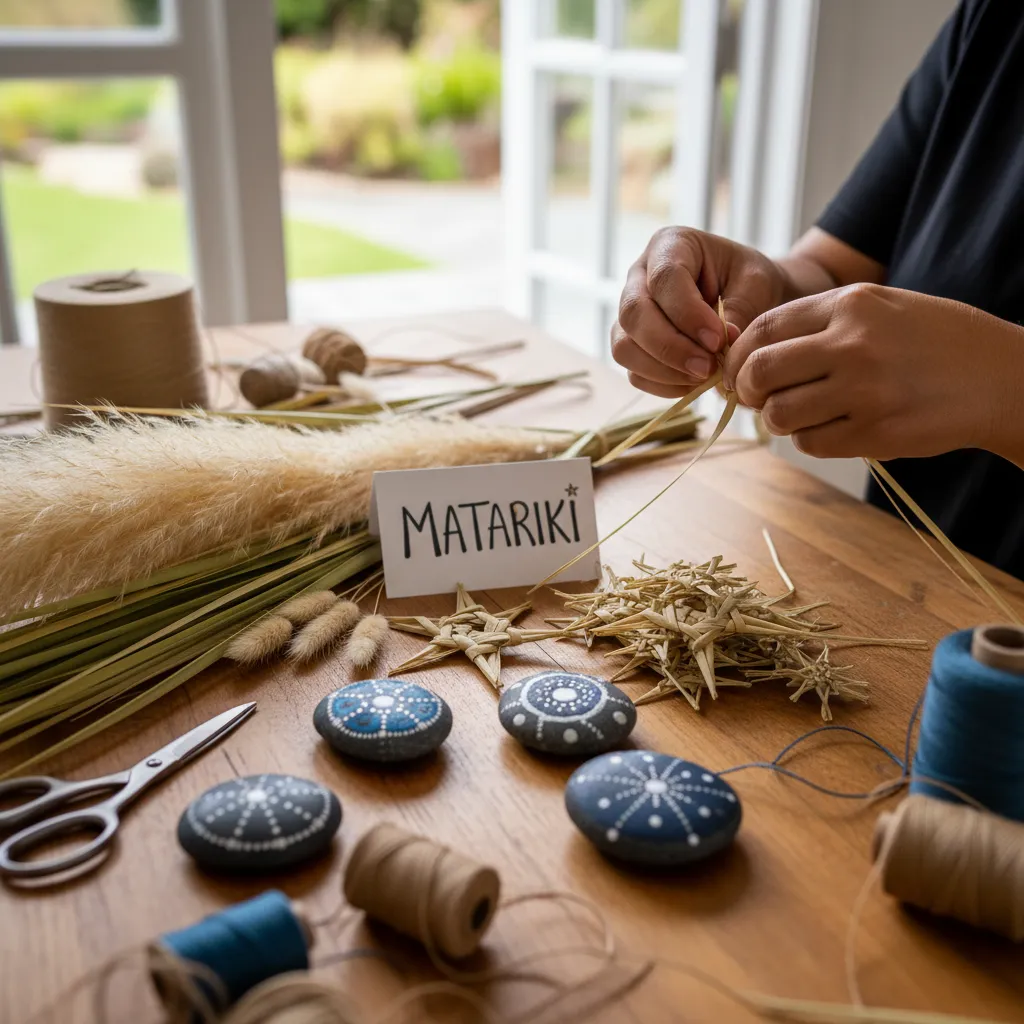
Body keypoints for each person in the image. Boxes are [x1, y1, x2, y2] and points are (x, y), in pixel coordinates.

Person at [610, 0, 1024, 579]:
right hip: (909, 590)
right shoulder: (997, 21)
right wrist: (760, 292)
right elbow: (833, 267)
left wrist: (1003, 385)